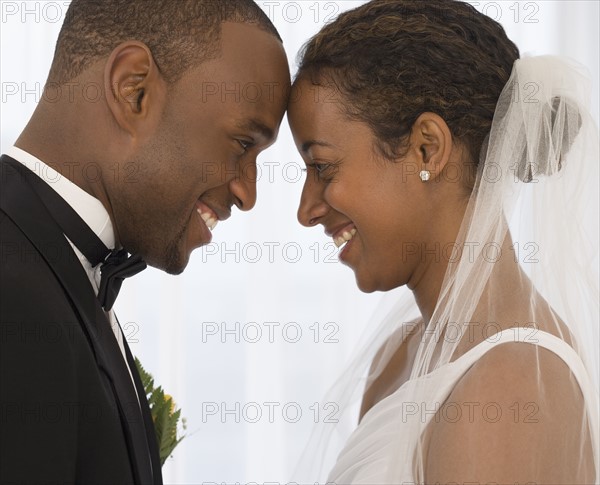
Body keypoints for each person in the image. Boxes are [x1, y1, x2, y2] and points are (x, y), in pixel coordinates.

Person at [288, 0, 599, 483]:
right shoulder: (399, 355)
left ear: (426, 148)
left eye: (322, 167)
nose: (306, 211)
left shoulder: (508, 386)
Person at [0, 0, 289, 483]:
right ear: (132, 90)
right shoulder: (10, 291)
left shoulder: (58, 266)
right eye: (243, 144)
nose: (247, 192)